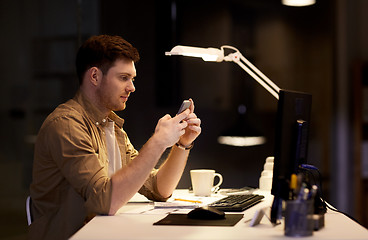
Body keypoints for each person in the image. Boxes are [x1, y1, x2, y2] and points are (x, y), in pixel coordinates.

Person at [28, 35, 201, 240]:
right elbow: (105, 201)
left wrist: (182, 144)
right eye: (123, 78)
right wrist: (158, 142)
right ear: (95, 76)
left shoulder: (110, 125)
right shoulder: (66, 125)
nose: (132, 87)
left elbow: (158, 189)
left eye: (132, 79)